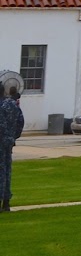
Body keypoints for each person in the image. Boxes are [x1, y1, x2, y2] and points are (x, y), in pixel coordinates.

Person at [0, 74, 24, 211]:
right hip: (8, 143)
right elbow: (20, 121)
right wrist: (13, 137)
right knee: (7, 170)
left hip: (2, 142)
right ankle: (6, 202)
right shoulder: (12, 105)